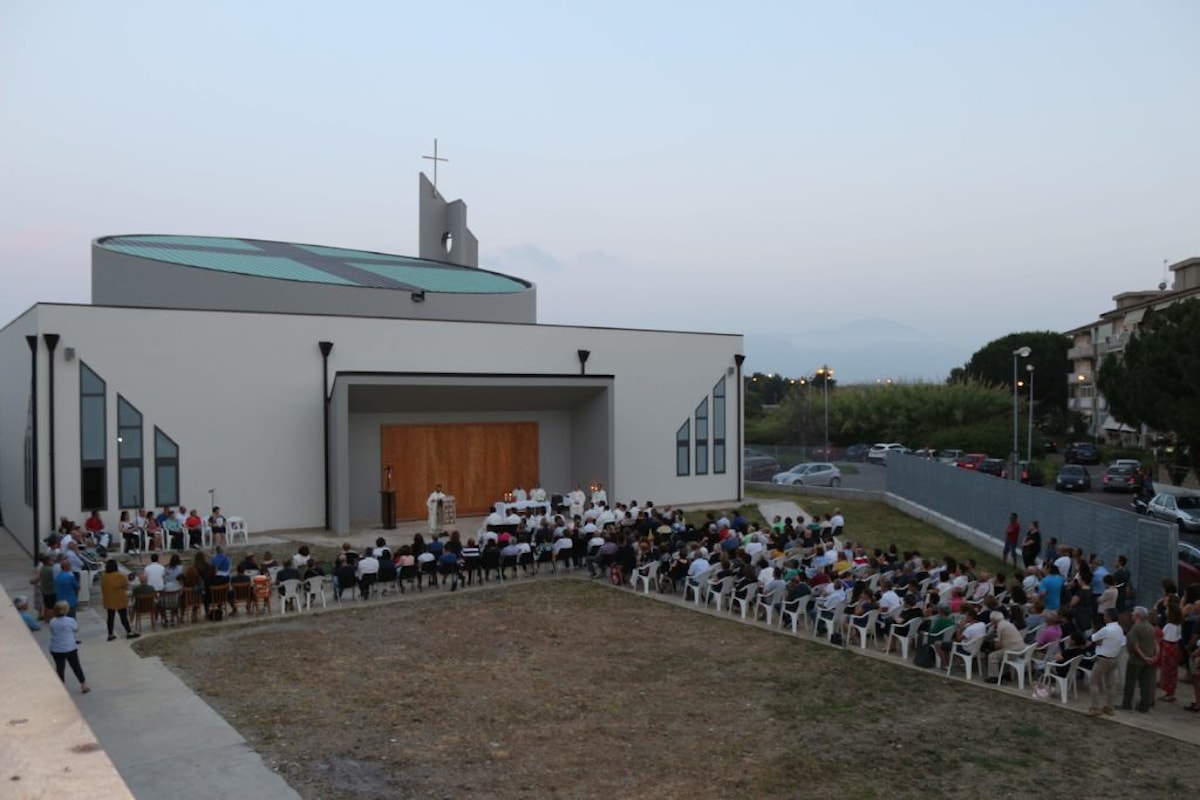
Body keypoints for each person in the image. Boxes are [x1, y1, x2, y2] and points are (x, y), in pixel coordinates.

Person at [1120, 606, 1159, 713]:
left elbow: (1135, 645)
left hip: (1136, 659)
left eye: (1133, 614)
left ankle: (1126, 704)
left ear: (1137, 616)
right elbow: (1156, 643)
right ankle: (1144, 706)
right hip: (1149, 659)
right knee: (1145, 684)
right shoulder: (1150, 627)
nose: (1131, 616)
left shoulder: (1136, 627)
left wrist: (1144, 657)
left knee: (1130, 682)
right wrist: (1155, 655)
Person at [48, 601, 89, 694]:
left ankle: (61, 687)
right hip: (69, 647)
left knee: (60, 668)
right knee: (76, 666)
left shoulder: (52, 621)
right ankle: (84, 684)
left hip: (56, 648)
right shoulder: (70, 620)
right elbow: (76, 629)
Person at [100, 560, 139, 641]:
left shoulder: (104, 576)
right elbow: (126, 585)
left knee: (110, 617)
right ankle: (129, 632)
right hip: (119, 599)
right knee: (123, 616)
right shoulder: (119, 576)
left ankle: (110, 634)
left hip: (109, 599)